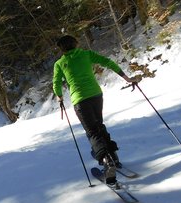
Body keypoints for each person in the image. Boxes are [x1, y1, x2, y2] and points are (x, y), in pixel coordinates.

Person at [52, 35, 141, 185]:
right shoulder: (87, 54)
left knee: (92, 131)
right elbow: (108, 62)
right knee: (99, 125)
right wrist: (127, 78)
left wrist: (59, 97)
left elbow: (56, 84)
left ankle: (107, 163)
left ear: (62, 49)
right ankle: (113, 156)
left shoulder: (60, 63)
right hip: (96, 95)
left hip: (80, 100)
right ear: (76, 43)